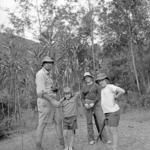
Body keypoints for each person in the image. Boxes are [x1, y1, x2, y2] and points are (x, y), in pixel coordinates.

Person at [35, 56, 65, 150]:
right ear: (43, 64)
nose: (49, 64)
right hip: (45, 102)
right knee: (42, 124)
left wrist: (54, 90)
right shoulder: (40, 74)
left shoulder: (48, 74)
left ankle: (63, 145)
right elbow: (40, 92)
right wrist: (52, 101)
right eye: (47, 63)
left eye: (51, 63)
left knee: (58, 121)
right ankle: (38, 147)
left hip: (52, 101)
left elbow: (47, 88)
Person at [95, 73, 125, 150]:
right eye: (99, 81)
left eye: (102, 80)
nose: (101, 82)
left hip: (113, 111)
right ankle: (114, 145)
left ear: (105, 80)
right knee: (110, 129)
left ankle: (114, 148)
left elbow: (122, 91)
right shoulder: (102, 90)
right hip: (107, 113)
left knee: (113, 130)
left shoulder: (110, 86)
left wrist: (116, 96)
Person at [81, 72, 107, 145]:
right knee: (89, 122)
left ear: (91, 77)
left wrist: (94, 102)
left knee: (100, 121)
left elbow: (99, 96)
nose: (87, 78)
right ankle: (91, 139)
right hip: (87, 105)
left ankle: (104, 139)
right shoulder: (84, 87)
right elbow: (82, 97)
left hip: (96, 104)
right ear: (84, 79)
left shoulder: (96, 86)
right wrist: (84, 104)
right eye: (86, 78)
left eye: (88, 77)